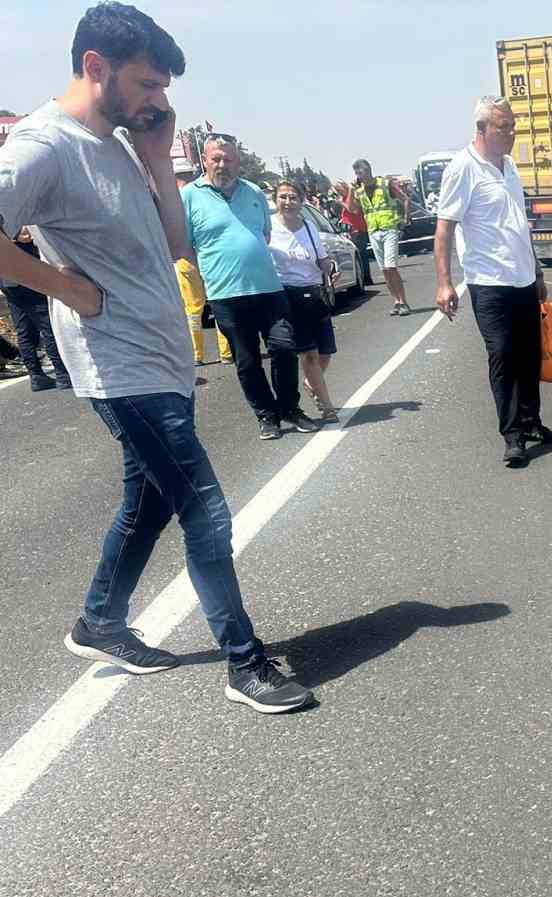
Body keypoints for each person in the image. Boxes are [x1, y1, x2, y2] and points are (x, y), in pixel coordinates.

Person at [0, 2, 313, 713]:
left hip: (161, 357)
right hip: (119, 365)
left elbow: (178, 247)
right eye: (147, 85)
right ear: (95, 67)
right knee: (205, 508)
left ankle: (99, 622)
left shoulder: (114, 142)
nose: (158, 101)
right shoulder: (42, 146)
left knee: (146, 504)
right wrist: (65, 288)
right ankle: (246, 663)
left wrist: (157, 162)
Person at [433, 97, 552, 467]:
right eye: (503, 127)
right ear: (482, 129)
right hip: (489, 282)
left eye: (512, 125)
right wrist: (444, 283)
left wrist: (536, 272)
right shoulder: (462, 169)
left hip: (521, 278)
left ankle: (531, 420)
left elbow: (519, 225)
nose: (511, 133)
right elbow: (444, 230)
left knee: (529, 356)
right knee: (502, 354)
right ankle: (512, 435)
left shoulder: (509, 167)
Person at [183, 133, 316, 438]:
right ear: (205, 160)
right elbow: (185, 245)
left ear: (238, 161)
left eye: (228, 159)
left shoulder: (255, 192)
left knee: (283, 348)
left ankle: (289, 409)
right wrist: (214, 268)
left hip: (268, 289)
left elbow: (265, 235)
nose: (222, 165)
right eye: (216, 158)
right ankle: (266, 416)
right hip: (225, 294)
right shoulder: (190, 196)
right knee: (247, 361)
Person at [268, 178, 340, 422]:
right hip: (287, 294)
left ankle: (312, 383)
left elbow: (322, 259)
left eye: (293, 197)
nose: (288, 202)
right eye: (283, 197)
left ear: (301, 200)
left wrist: (331, 267)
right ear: (275, 200)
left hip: (315, 293)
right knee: (308, 353)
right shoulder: (268, 228)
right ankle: (327, 406)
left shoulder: (308, 226)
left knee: (326, 351)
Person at [1, 226, 73, 390]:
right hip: (25, 273)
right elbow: (24, 235)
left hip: (8, 279)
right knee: (47, 323)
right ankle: (63, 373)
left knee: (24, 328)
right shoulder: (9, 210)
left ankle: (36, 374)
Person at [173, 165, 230, 366]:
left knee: (192, 309)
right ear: (191, 174)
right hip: (210, 257)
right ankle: (226, 352)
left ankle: (197, 355)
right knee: (219, 303)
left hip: (185, 260)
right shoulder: (202, 195)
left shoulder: (170, 199)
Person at [349, 158, 410, 315]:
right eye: (356, 173)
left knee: (391, 267)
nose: (358, 176)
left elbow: (405, 199)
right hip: (373, 231)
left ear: (368, 170)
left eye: (360, 172)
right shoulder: (359, 191)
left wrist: (405, 219)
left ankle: (403, 302)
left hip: (389, 228)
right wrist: (350, 190)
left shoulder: (384, 184)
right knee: (384, 269)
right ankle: (396, 301)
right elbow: (353, 210)